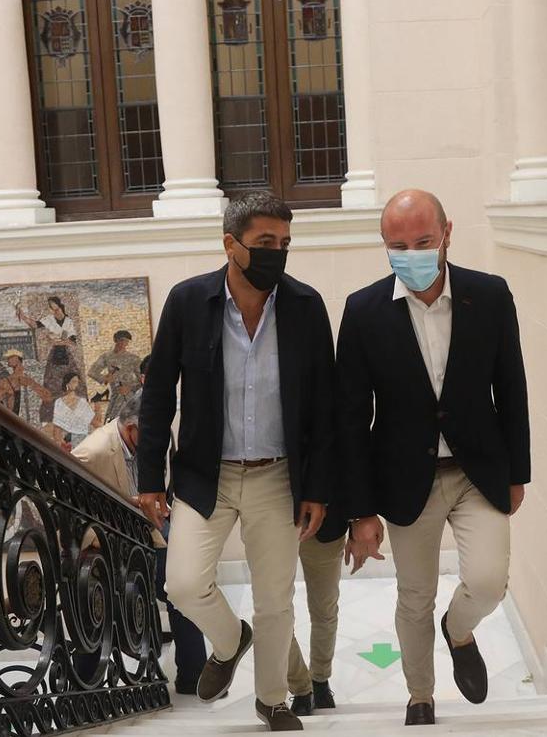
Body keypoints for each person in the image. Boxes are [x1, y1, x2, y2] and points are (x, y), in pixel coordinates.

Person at [136, 191, 335, 732]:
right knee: (182, 584)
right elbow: (157, 395)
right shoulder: (187, 302)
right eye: (265, 242)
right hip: (207, 476)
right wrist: (149, 478)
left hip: (277, 477)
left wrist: (316, 489)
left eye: (285, 243)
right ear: (231, 244)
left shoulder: (306, 306)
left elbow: (324, 407)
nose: (277, 252)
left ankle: (272, 700)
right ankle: (230, 641)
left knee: (275, 600)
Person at [337, 189, 531, 727]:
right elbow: (351, 419)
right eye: (397, 245)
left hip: (478, 471)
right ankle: (420, 695)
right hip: (404, 478)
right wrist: (360, 511)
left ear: (447, 233)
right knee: (414, 596)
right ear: (384, 245)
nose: (412, 253)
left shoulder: (490, 295)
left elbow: (511, 388)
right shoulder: (363, 311)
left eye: (423, 241)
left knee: (489, 580)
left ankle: (460, 629)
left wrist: (519, 472)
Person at [71, 392, 207, 695]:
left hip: (145, 532)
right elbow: (72, 511)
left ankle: (194, 673)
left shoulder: (138, 444)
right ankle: (87, 686)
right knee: (172, 585)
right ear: (133, 427)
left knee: (186, 583)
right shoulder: (93, 452)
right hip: (111, 544)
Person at [285, 499, 348, 716]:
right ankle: (301, 687)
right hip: (275, 513)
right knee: (275, 611)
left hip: (328, 516)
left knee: (325, 608)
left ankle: (320, 679)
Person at [16, 296, 79, 423]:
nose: (52, 309)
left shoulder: (68, 322)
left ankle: (70, 416)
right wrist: (22, 316)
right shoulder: (49, 320)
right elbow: (34, 324)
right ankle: (52, 417)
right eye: (50, 306)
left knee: (71, 385)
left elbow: (73, 342)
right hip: (54, 355)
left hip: (66, 356)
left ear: (59, 305)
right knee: (51, 385)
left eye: (53, 305)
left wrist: (58, 341)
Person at [88, 330, 142, 423]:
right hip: (115, 395)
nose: (123, 343)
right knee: (110, 422)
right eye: (121, 340)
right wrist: (105, 378)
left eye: (126, 341)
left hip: (130, 396)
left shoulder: (134, 358)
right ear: (115, 340)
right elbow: (92, 372)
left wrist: (130, 388)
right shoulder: (107, 356)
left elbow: (144, 379)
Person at [51, 372, 97, 449]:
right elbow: (57, 427)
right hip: (66, 440)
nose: (76, 384)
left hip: (82, 440)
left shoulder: (82, 402)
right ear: (67, 383)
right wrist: (59, 442)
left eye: (77, 382)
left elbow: (93, 421)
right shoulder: (59, 402)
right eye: (74, 381)